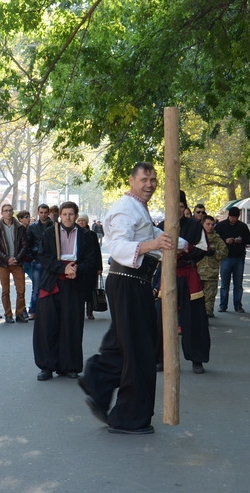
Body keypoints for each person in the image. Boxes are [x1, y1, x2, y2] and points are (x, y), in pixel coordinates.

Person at [79, 162, 181, 435]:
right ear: (131, 180)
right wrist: (154, 245)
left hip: (135, 282)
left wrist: (182, 243)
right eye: (144, 179)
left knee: (123, 343)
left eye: (154, 179)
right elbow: (118, 247)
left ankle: (97, 378)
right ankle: (128, 417)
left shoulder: (138, 209)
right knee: (139, 349)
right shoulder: (125, 208)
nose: (150, 184)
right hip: (127, 281)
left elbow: (154, 235)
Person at [32, 202, 99, 381]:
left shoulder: (87, 235)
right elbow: (43, 256)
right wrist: (62, 269)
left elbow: (91, 260)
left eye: (71, 214)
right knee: (47, 325)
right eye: (65, 214)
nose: (68, 217)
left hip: (75, 283)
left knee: (72, 325)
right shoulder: (49, 233)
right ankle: (46, 366)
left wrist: (76, 269)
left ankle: (69, 366)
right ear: (60, 215)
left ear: (76, 216)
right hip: (52, 282)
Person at [155, 191, 210, 374]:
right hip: (166, 276)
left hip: (188, 275)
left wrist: (187, 248)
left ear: (184, 207)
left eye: (180, 206)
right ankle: (160, 358)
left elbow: (204, 250)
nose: (176, 210)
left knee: (194, 318)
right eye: (172, 206)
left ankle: (197, 359)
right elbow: (153, 251)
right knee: (161, 318)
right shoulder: (161, 226)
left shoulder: (195, 226)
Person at [0, 203, 29, 323]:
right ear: (2, 213)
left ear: (13, 212)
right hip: (3, 264)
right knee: (5, 290)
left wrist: (17, 258)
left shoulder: (20, 227)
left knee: (21, 290)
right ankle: (8, 314)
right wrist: (7, 258)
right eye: (5, 210)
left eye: (10, 210)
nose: (8, 212)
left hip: (17, 262)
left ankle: (19, 313)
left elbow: (24, 245)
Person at [214, 206, 250, 312]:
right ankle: (223, 305)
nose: (234, 219)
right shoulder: (221, 226)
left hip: (239, 257)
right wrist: (225, 240)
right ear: (229, 216)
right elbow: (215, 238)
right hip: (226, 257)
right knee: (225, 284)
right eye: (232, 217)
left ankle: (238, 305)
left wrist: (241, 240)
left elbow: (249, 239)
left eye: (236, 217)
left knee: (238, 284)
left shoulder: (242, 226)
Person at [197, 214, 227, 318]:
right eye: (208, 224)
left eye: (212, 224)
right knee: (195, 296)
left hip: (211, 273)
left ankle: (206, 315)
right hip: (197, 272)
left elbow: (224, 252)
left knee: (209, 297)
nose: (210, 226)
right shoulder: (197, 236)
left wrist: (214, 252)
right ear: (202, 224)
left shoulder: (216, 238)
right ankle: (197, 316)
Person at [26, 204, 53, 319]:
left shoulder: (54, 225)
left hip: (51, 260)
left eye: (45, 212)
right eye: (41, 212)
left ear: (48, 212)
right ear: (38, 212)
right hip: (37, 259)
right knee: (36, 287)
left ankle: (48, 311)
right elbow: (27, 243)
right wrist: (32, 256)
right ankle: (33, 311)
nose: (43, 214)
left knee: (52, 286)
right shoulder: (32, 227)